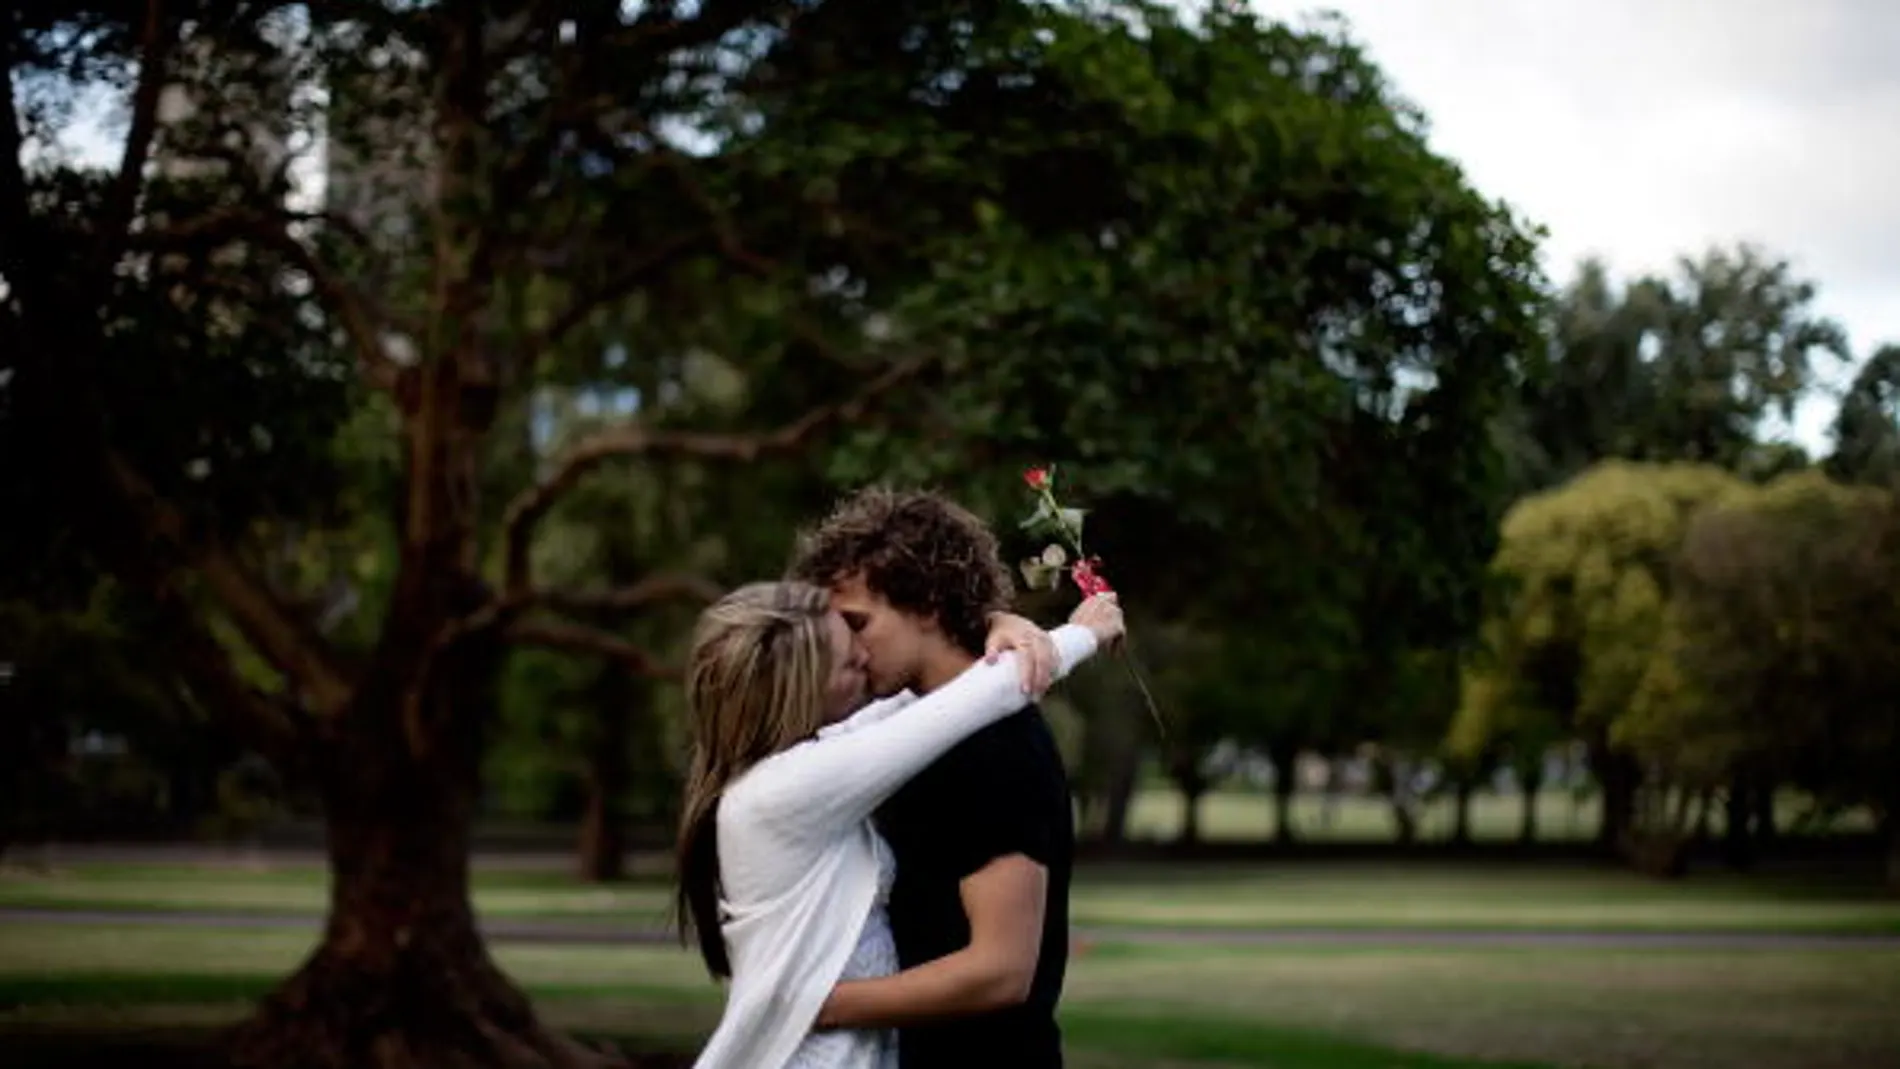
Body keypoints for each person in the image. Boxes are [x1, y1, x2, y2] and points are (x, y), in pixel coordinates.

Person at [678, 578, 1124, 1069]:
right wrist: (1085, 633)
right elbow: (971, 700)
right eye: (849, 660)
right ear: (801, 688)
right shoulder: (788, 788)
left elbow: (943, 691)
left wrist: (995, 626)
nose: (865, 658)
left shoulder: (797, 768)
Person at [790, 488, 1084, 1068]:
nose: (847, 649)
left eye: (858, 623)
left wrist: (819, 1006)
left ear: (925, 605)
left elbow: (1001, 969)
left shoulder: (994, 747)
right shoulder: (915, 725)